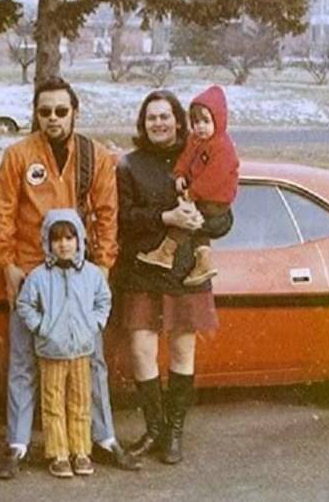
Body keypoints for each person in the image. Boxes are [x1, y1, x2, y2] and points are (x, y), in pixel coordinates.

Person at [0, 76, 141, 479]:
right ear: (36, 115)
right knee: (23, 361)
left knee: (92, 361)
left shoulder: (95, 156)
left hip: (79, 274)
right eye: (45, 112)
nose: (53, 118)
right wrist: (8, 265)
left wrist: (102, 268)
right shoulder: (18, 155)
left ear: (74, 112)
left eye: (61, 110)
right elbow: (1, 213)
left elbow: (107, 215)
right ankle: (17, 445)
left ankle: (103, 438)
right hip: (32, 273)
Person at [115, 90, 232, 465]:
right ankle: (154, 430)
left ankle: (174, 433)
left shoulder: (200, 154)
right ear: (143, 123)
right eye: (151, 117)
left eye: (165, 116)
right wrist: (165, 218)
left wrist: (201, 221)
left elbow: (224, 218)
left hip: (186, 273)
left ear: (179, 121)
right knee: (142, 352)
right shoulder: (129, 165)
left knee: (183, 351)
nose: (159, 123)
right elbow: (123, 218)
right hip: (142, 269)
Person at [15, 209, 111, 478]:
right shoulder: (38, 276)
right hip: (51, 351)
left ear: (79, 240)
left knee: (80, 402)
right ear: (47, 242)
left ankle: (81, 451)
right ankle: (58, 454)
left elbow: (104, 300)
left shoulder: (92, 274)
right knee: (53, 403)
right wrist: (42, 327)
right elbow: (24, 304)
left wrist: (93, 325)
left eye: (70, 238)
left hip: (82, 349)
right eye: (56, 239)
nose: (64, 244)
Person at [137, 85, 239, 286]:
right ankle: (204, 262)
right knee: (197, 224)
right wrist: (179, 175)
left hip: (216, 201)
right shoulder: (195, 140)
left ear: (219, 120)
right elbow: (185, 159)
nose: (200, 127)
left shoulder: (222, 147)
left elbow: (213, 177)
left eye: (206, 121)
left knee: (187, 216)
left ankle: (166, 252)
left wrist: (192, 193)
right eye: (196, 122)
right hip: (204, 198)